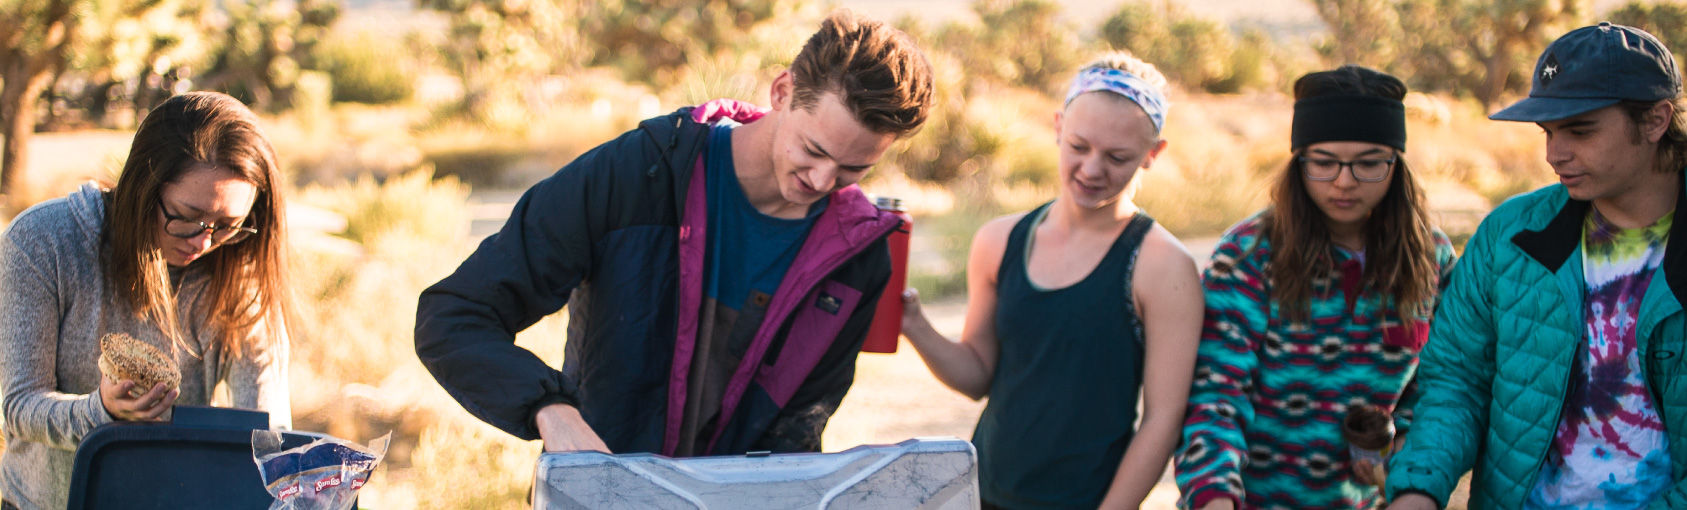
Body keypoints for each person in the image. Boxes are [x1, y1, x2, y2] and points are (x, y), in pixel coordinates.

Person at [415, 10, 933, 457]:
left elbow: (799, 430)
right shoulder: (638, 172)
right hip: (603, 496)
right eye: (814, 151)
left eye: (853, 170)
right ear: (782, 91)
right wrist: (550, 410)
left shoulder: (860, 258)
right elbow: (454, 316)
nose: (822, 182)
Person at [1385, 23, 1687, 510]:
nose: (1554, 154)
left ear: (1655, 120)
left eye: (1580, 130)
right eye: (1547, 132)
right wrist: (1418, 487)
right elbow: (1457, 380)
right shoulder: (1508, 236)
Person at [898, 52, 1204, 510]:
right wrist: (914, 324)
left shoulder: (1162, 266)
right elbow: (978, 375)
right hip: (983, 493)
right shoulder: (999, 241)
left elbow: (1163, 419)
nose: (1092, 169)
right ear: (1059, 127)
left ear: (1153, 154)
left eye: (1117, 157)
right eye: (1079, 147)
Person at [1175, 65, 1456, 510]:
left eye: (1368, 164)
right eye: (1324, 163)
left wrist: (1402, 453)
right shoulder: (1248, 255)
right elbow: (1215, 395)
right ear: (1298, 163)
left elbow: (1438, 388)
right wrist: (1215, 497)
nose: (1344, 182)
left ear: (1396, 165)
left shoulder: (1432, 259)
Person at [0, 92, 295, 510]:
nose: (203, 242)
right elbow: (20, 406)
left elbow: (266, 430)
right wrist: (101, 411)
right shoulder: (43, 241)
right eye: (185, 217)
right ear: (143, 185)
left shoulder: (239, 267)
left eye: (227, 224)